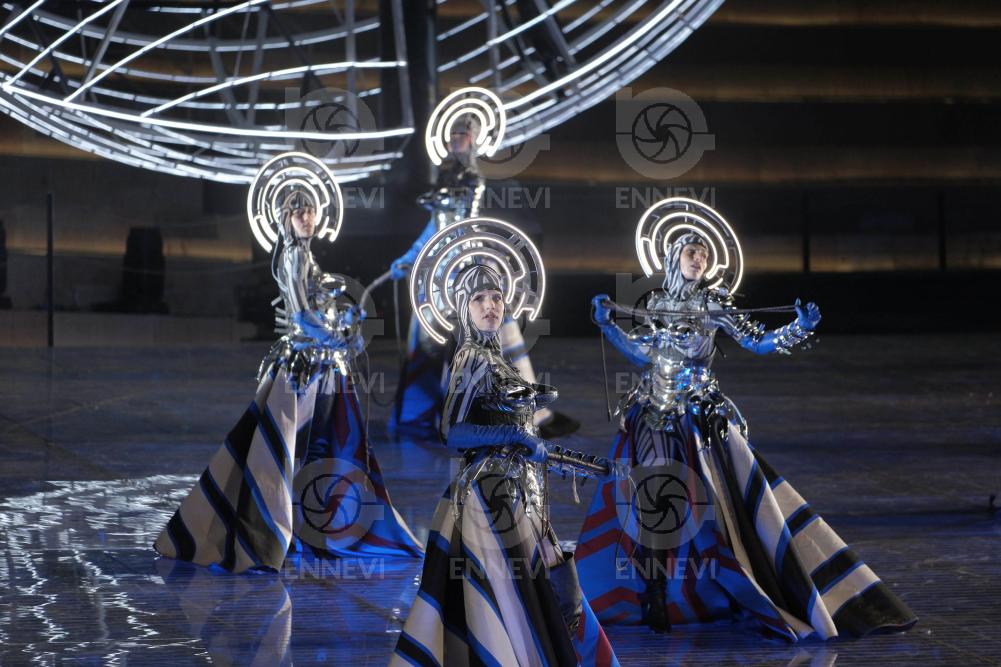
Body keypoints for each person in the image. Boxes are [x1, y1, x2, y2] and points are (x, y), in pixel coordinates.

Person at [575, 232, 917, 640]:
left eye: (704, 254)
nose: (699, 260)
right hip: (652, 412)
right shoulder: (657, 303)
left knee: (718, 508)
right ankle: (655, 595)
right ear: (673, 257)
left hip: (697, 417)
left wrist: (800, 326)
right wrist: (608, 325)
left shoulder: (714, 303)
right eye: (691, 252)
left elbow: (757, 341)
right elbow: (644, 353)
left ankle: (740, 585)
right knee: (652, 498)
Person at [154, 187, 422, 573]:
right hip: (304, 366)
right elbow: (300, 316)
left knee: (315, 446)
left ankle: (310, 527)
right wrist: (336, 336)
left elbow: (316, 306)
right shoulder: (294, 255)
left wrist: (340, 321)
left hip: (322, 363)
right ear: (286, 219)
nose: (307, 219)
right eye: (299, 213)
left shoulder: (305, 254)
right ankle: (278, 531)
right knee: (292, 449)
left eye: (311, 212)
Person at [392, 263, 617, 667]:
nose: (490, 306)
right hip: (491, 496)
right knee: (516, 595)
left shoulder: (495, 357)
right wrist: (513, 435)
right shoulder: (471, 358)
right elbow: (451, 431)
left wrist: (542, 438)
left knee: (539, 589)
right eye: (478, 298)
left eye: (496, 297)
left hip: (516, 490)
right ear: (463, 308)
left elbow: (510, 423)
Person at [388, 114, 578, 439]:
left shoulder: (471, 177)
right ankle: (425, 415)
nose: (455, 140)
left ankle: (487, 412)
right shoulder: (444, 174)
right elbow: (434, 227)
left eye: (461, 134)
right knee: (429, 338)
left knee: (483, 336)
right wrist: (407, 259)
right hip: (438, 270)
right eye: (452, 134)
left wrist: (455, 251)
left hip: (461, 264)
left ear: (472, 138)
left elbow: (464, 220)